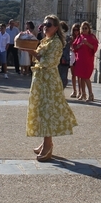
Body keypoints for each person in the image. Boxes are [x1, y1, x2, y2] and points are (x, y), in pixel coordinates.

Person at [21, 14, 78, 162]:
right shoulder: (46, 40)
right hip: (41, 79)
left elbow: (48, 61)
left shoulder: (56, 42)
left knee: (48, 111)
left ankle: (48, 146)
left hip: (49, 82)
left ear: (56, 27)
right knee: (41, 110)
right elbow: (38, 55)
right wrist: (29, 41)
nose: (45, 26)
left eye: (49, 24)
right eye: (44, 24)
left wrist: (31, 51)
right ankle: (46, 142)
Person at [72, 21, 98, 102]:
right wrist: (79, 45)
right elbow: (74, 47)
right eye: (83, 28)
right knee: (80, 78)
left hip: (87, 60)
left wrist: (87, 43)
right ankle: (83, 94)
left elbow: (95, 47)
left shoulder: (92, 37)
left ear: (89, 29)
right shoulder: (79, 37)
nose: (84, 30)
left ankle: (91, 94)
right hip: (80, 60)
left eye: (86, 28)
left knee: (86, 77)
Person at [68, 23, 80, 97]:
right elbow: (69, 47)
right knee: (73, 75)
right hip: (72, 55)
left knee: (79, 75)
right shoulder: (71, 38)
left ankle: (80, 91)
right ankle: (74, 90)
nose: (76, 31)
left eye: (77, 29)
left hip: (78, 55)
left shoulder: (80, 38)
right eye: (74, 30)